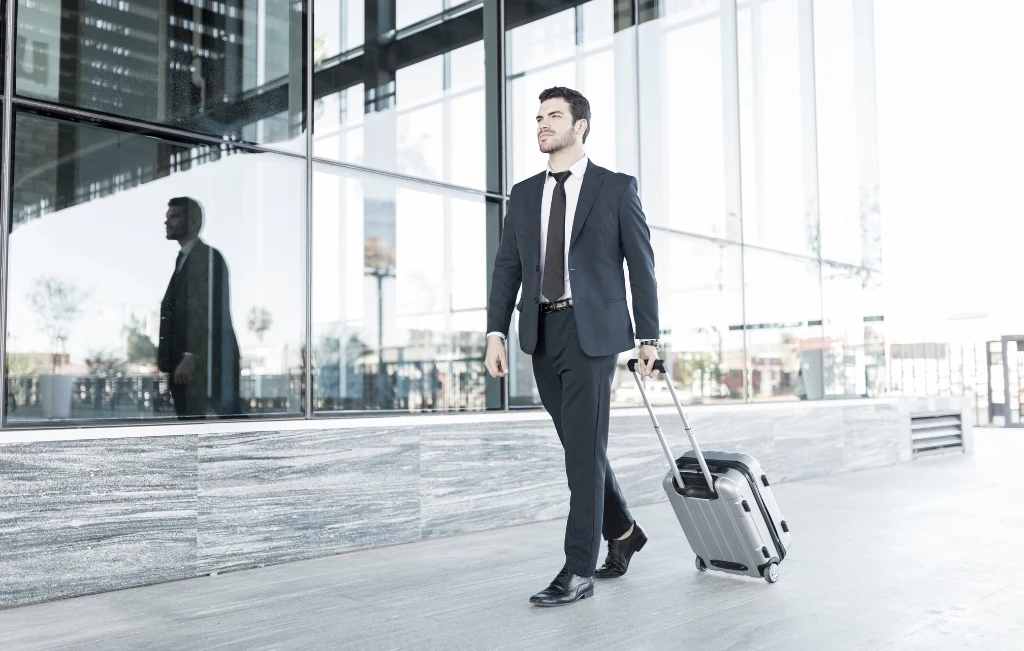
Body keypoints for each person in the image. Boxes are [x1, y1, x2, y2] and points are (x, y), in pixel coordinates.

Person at [485, 87, 661, 607]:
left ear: (580, 125)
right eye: (538, 117)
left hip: (594, 336)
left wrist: (647, 337)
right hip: (541, 331)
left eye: (553, 116)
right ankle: (624, 531)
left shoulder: (615, 188)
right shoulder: (523, 193)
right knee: (580, 448)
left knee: (582, 452)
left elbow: (641, 265)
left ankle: (578, 567)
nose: (542, 124)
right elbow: (507, 268)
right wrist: (495, 330)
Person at [158, 197, 241, 419]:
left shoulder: (207, 257)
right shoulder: (184, 259)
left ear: (194, 221)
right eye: (167, 217)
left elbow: (206, 307)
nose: (167, 222)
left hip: (204, 366)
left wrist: (190, 355)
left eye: (174, 216)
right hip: (189, 367)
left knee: (229, 424)